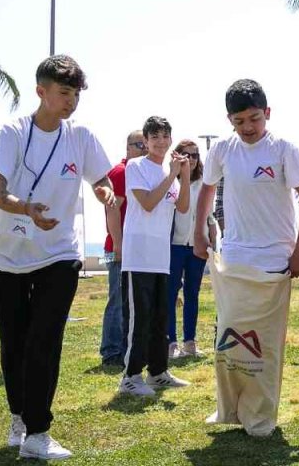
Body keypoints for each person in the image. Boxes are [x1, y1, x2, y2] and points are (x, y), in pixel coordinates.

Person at [0, 55, 117, 461]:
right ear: (41, 91)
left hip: (59, 254)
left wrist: (104, 191)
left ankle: (38, 432)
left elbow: (101, 177)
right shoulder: (12, 133)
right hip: (5, 257)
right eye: (63, 93)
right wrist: (26, 210)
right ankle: (18, 418)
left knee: (45, 339)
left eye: (75, 94)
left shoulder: (81, 136)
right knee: (15, 342)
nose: (71, 101)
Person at [193, 78, 299, 438]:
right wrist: (199, 231)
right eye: (239, 121)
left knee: (263, 344)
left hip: (275, 259)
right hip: (234, 256)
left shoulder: (284, 150)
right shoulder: (222, 150)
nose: (248, 127)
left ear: (267, 113)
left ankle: (261, 416)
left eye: (254, 119)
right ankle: (229, 408)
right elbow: (206, 190)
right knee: (229, 338)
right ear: (229, 120)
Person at [118, 116, 193, 397]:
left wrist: (185, 176)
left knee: (161, 317)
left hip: (161, 256)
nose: (161, 142)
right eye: (154, 137)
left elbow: (183, 208)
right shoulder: (136, 166)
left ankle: (158, 372)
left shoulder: (168, 170)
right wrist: (172, 175)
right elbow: (148, 203)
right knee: (140, 319)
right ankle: (130, 376)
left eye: (165, 136)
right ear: (146, 141)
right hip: (139, 255)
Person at [100, 130, 146, 367]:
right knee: (117, 301)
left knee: (130, 302)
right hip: (120, 248)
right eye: (140, 145)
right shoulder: (121, 171)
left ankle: (125, 348)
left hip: (135, 248)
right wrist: (118, 243)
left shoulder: (139, 172)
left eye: (146, 145)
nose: (144, 149)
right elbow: (113, 208)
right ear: (128, 147)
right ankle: (111, 351)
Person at [168, 139, 215, 359]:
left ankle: (190, 342)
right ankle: (171, 342)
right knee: (170, 294)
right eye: (187, 155)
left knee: (192, 294)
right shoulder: (170, 181)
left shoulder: (205, 182)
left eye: (195, 155)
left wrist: (211, 235)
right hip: (174, 246)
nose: (192, 159)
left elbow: (210, 215)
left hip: (197, 246)